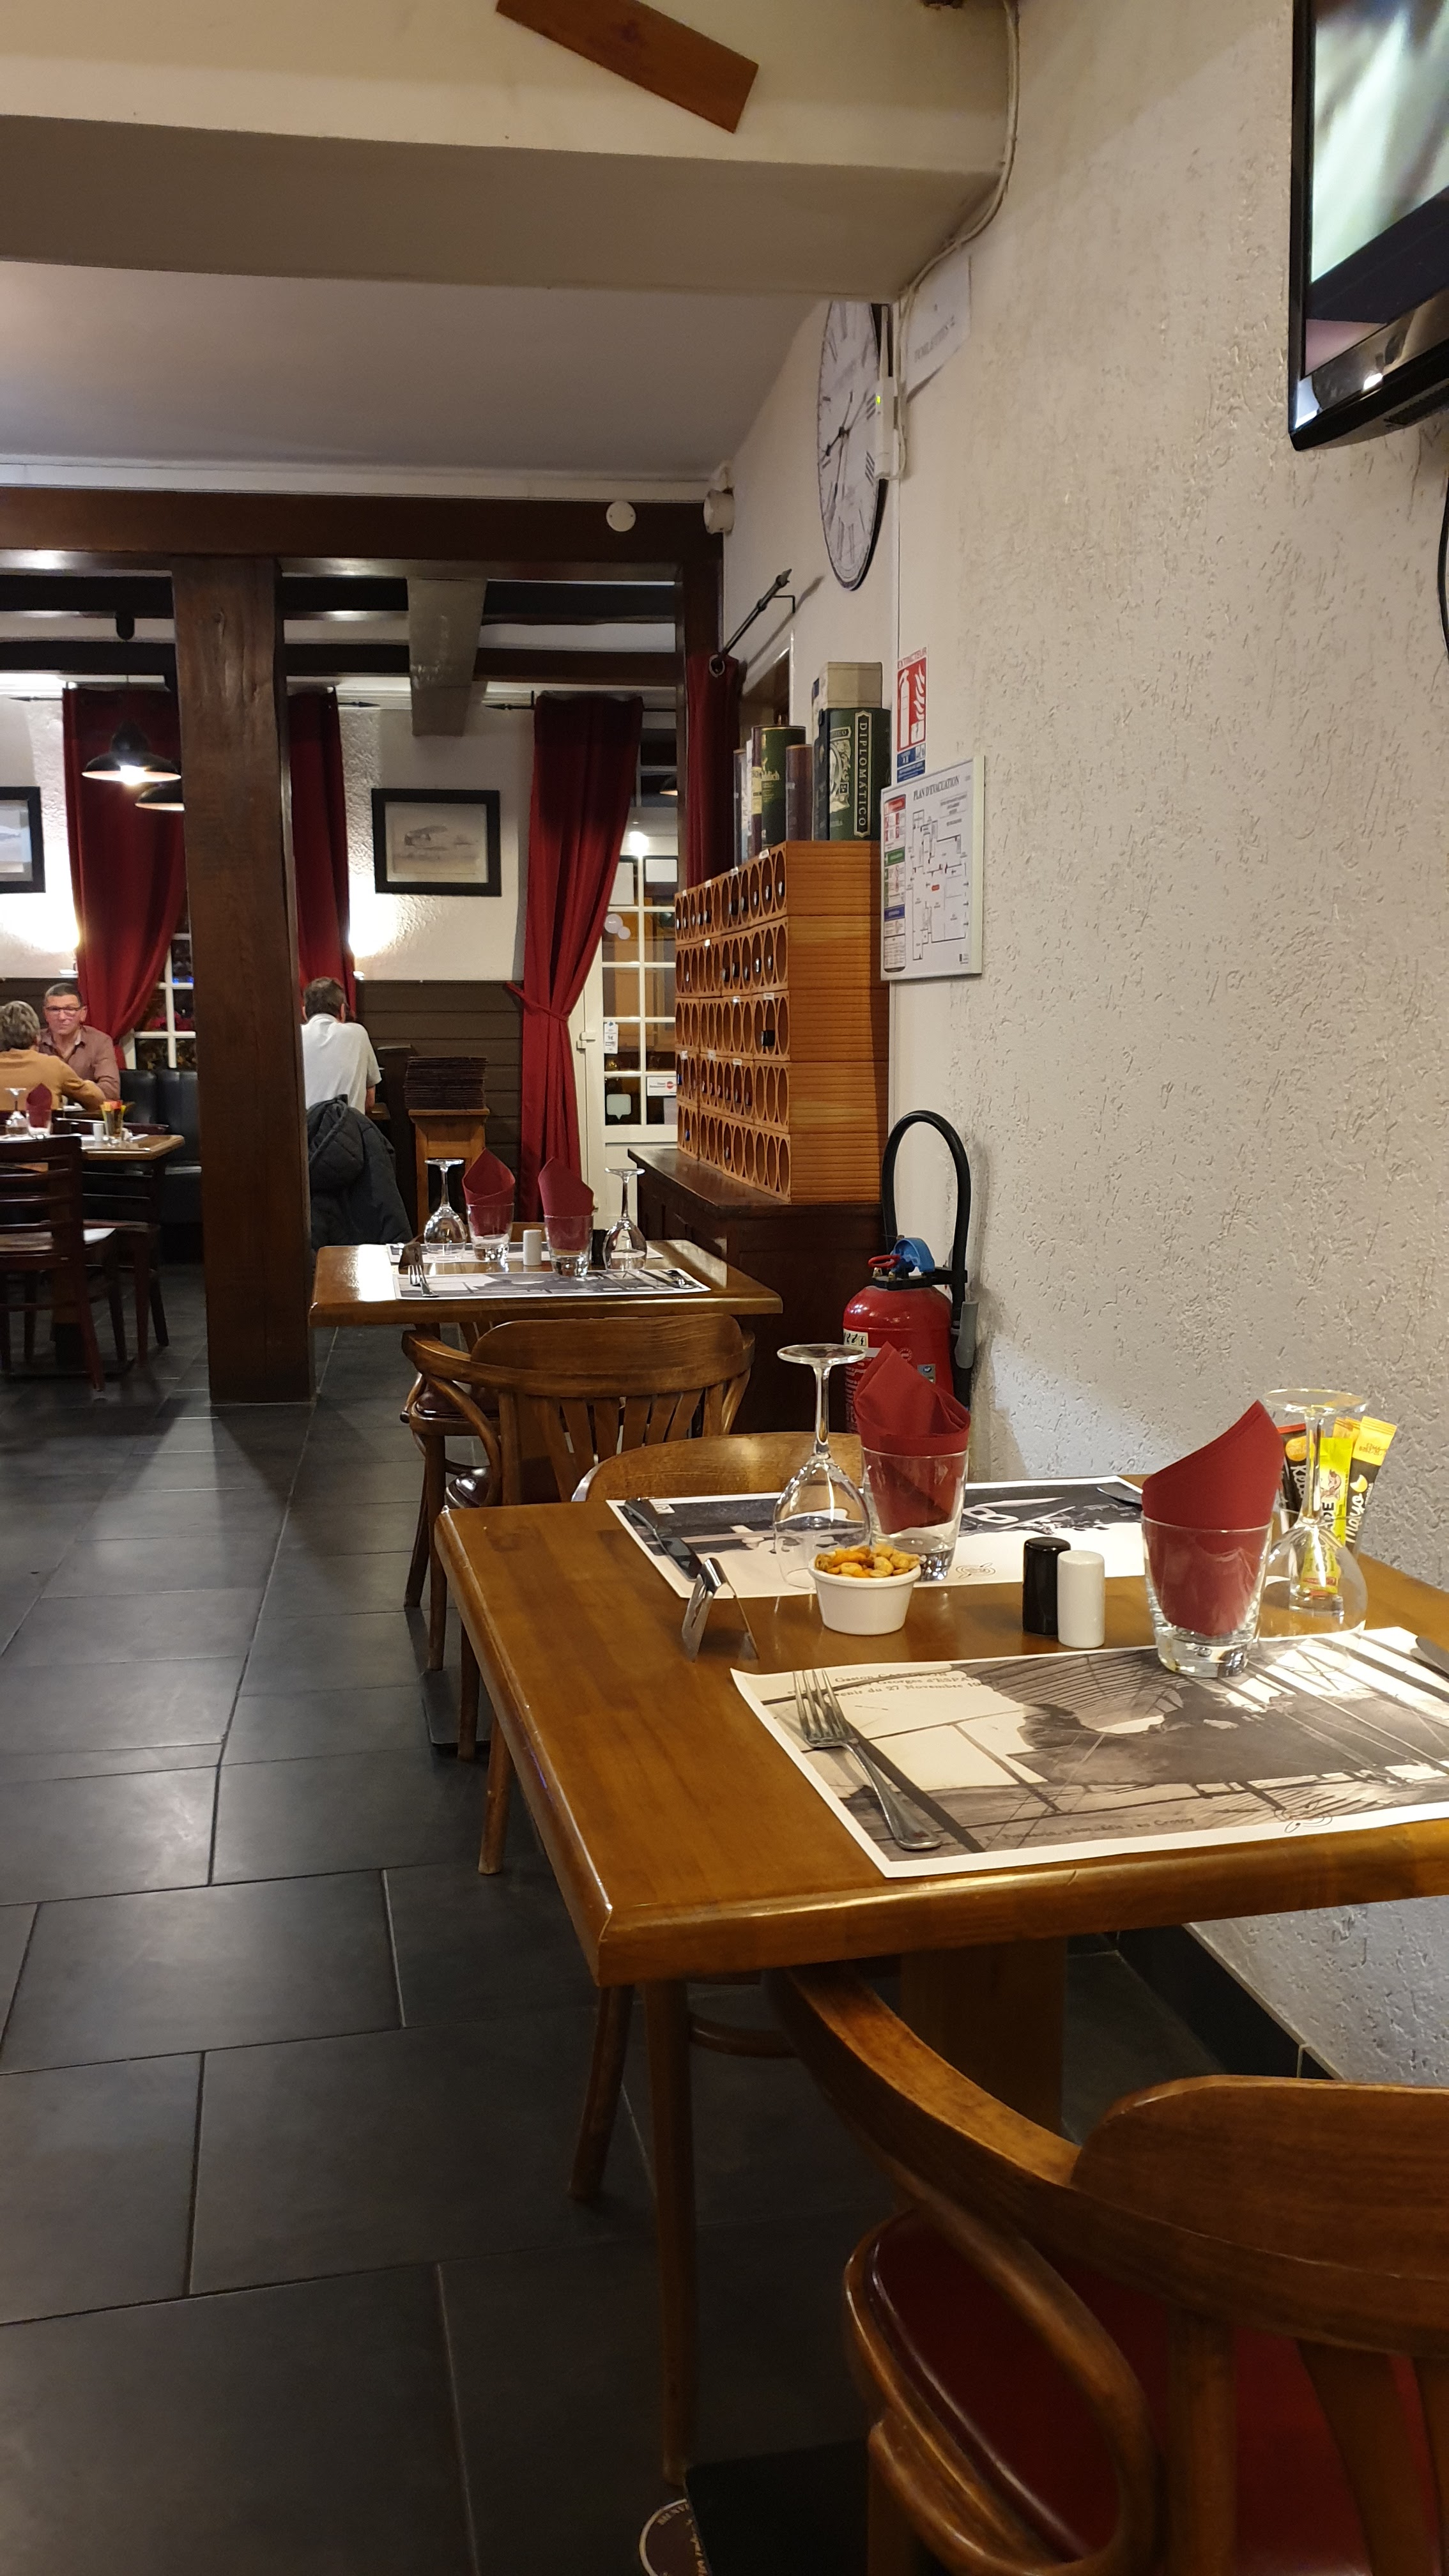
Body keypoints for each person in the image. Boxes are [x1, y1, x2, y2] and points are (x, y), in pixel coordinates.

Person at [0, 1000, 106, 1113]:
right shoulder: (53, 1065)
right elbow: (98, 1101)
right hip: (43, 1124)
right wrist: (88, 1085)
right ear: (37, 1038)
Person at [300, 977, 379, 1114]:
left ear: (304, 1012)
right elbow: (370, 1099)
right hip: (348, 1125)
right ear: (342, 1010)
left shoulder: (295, 1036)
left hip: (305, 1127)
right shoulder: (358, 1034)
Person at [34, 980, 121, 1100]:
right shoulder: (34, 1041)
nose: (62, 1017)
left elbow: (110, 1091)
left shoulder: (100, 1041)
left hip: (86, 1111)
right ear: (45, 1014)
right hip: (46, 1110)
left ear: (83, 1013)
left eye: (69, 1009)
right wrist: (85, 1090)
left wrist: (66, 1095)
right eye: (54, 1009)